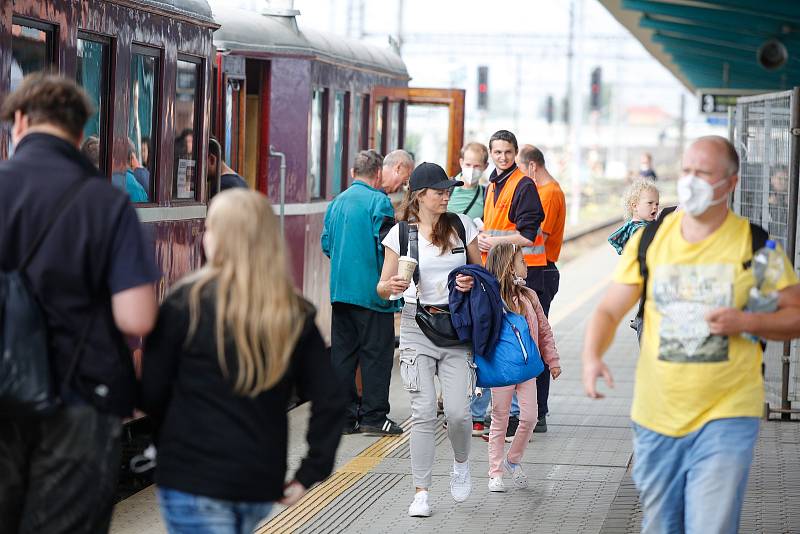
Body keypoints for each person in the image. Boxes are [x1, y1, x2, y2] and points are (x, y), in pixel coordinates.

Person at [582, 136, 800, 533]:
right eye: (686, 171)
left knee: (710, 526)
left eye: (703, 173)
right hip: (656, 415)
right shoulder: (649, 239)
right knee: (663, 526)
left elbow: (796, 314)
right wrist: (592, 356)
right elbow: (610, 307)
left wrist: (746, 322)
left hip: (728, 414)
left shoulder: (756, 245)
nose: (691, 180)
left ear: (730, 183)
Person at [0, 73, 159, 533]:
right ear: (77, 131)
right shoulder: (106, 204)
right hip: (81, 402)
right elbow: (137, 315)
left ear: (21, 121)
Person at [141, 189, 344, 534]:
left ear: (219, 240)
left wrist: (164, 445)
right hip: (257, 481)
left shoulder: (184, 305)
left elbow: (151, 393)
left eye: (209, 228)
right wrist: (311, 472)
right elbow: (331, 398)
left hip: (192, 477)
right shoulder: (292, 314)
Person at [379, 162, 481, 517]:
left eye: (448, 190)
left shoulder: (462, 226)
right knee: (422, 413)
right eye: (439, 191)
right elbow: (382, 285)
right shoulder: (400, 235)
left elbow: (479, 272)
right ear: (420, 195)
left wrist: (468, 281)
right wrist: (390, 287)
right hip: (415, 326)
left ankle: (462, 462)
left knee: (457, 413)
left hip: (456, 328)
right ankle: (421, 491)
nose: (446, 196)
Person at [321, 150, 403, 436]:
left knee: (342, 356)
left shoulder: (336, 202)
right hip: (373, 295)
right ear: (378, 174)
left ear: (353, 173)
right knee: (376, 356)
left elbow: (327, 245)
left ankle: (344, 418)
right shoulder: (379, 201)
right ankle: (373, 417)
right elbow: (387, 245)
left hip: (340, 293)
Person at [477, 130, 546, 440]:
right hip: (499, 274)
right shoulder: (493, 184)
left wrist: (493, 241)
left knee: (522, 340)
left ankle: (519, 415)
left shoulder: (523, 185)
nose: (502, 157)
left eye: (507, 152)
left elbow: (528, 236)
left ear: (515, 153)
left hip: (521, 275)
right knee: (505, 340)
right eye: (497, 152)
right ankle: (506, 413)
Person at [484, 243, 561, 492]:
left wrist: (553, 360)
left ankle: (512, 460)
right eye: (522, 262)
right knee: (500, 418)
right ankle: (495, 472)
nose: (527, 265)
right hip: (502, 369)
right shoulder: (491, 297)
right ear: (509, 267)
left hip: (528, 367)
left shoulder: (529, 296)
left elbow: (544, 329)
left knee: (529, 417)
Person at [516, 144, 566, 434]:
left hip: (540, 271)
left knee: (536, 337)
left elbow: (534, 236)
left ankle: (540, 410)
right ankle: (533, 409)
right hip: (536, 269)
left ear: (532, 167)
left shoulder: (547, 193)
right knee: (531, 335)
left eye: (522, 171)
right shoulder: (547, 192)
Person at [608, 179, 659, 255]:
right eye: (650, 203)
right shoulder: (638, 229)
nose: (655, 207)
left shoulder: (635, 225)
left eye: (657, 204)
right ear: (635, 206)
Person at [448, 142, 489, 220]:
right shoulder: (445, 188)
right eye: (468, 165)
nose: (472, 170)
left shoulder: (486, 195)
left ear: (485, 166)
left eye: (477, 166)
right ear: (461, 163)